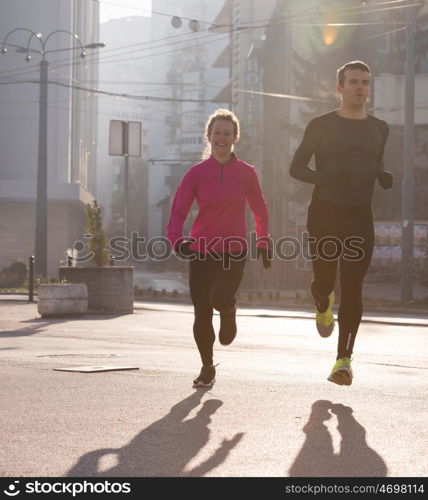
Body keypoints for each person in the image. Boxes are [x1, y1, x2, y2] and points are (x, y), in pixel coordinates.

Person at [289, 61, 393, 386]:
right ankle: (321, 298)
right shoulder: (321, 125)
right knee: (325, 281)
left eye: (365, 82)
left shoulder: (380, 128)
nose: (360, 87)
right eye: (353, 82)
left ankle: (343, 361)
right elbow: (296, 168)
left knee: (352, 287)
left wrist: (382, 175)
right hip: (324, 214)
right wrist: (325, 177)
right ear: (340, 88)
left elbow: (374, 163)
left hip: (360, 216)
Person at [167, 108, 271, 388]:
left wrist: (263, 239)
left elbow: (259, 208)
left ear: (235, 137)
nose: (221, 138)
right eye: (217, 133)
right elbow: (178, 210)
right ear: (209, 137)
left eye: (227, 133)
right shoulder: (196, 174)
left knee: (218, 297)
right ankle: (207, 367)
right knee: (201, 310)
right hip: (201, 250)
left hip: (233, 250)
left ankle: (228, 309)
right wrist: (176, 240)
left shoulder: (246, 173)